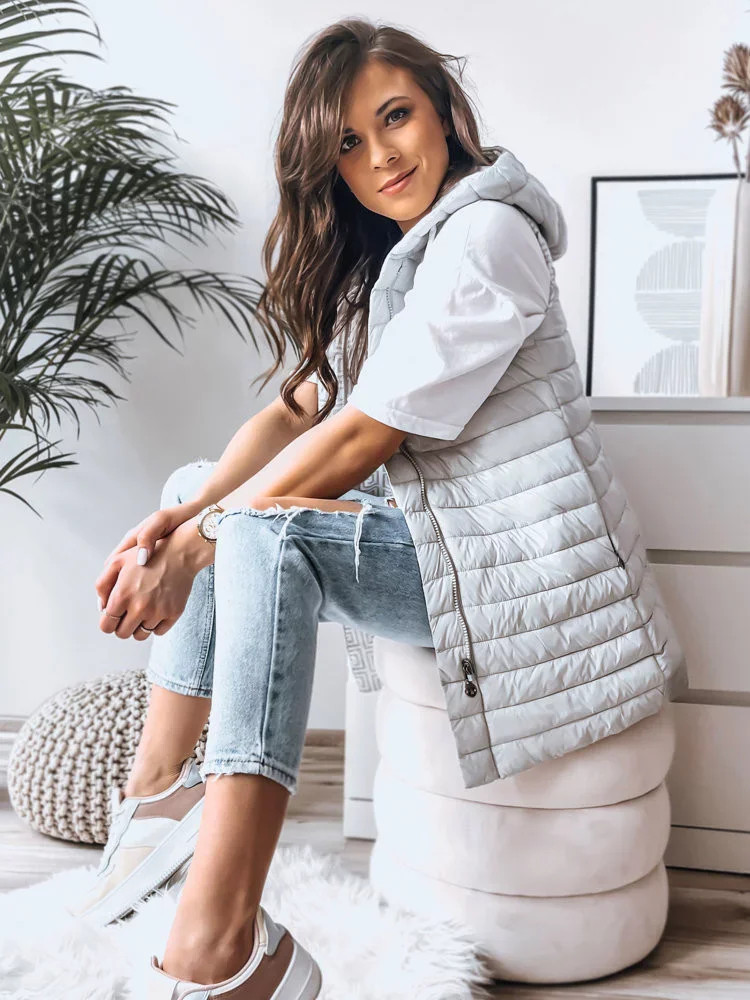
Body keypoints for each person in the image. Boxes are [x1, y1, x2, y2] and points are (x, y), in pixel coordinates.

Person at [71, 16, 687, 1000]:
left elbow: (363, 437)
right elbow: (296, 413)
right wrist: (184, 523)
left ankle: (221, 939)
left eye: (395, 117)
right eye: (348, 144)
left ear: (444, 111)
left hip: (520, 569)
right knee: (194, 488)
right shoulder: (389, 264)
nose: (379, 156)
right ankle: (158, 798)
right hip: (441, 542)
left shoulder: (487, 237)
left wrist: (200, 548)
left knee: (260, 533)